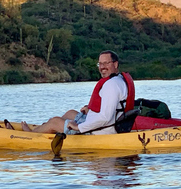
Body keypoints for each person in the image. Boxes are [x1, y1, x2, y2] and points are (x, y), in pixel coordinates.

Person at [7, 50, 135, 135]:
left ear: (115, 64)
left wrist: (78, 127)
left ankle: (30, 135)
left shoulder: (111, 85)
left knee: (55, 121)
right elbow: (112, 108)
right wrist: (89, 110)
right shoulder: (118, 80)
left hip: (102, 131)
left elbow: (105, 117)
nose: (102, 67)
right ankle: (47, 130)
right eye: (100, 64)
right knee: (70, 113)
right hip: (109, 124)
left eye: (106, 63)